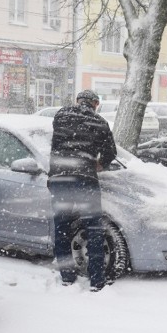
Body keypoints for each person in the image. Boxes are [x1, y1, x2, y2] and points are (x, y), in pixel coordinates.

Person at [48, 89, 117, 292]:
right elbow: (110, 152)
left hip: (60, 178)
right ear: (95, 103)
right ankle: (96, 280)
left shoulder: (60, 115)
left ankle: (67, 276)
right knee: (94, 230)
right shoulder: (100, 122)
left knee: (61, 229)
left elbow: (60, 140)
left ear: (78, 100)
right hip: (85, 180)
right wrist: (99, 164)